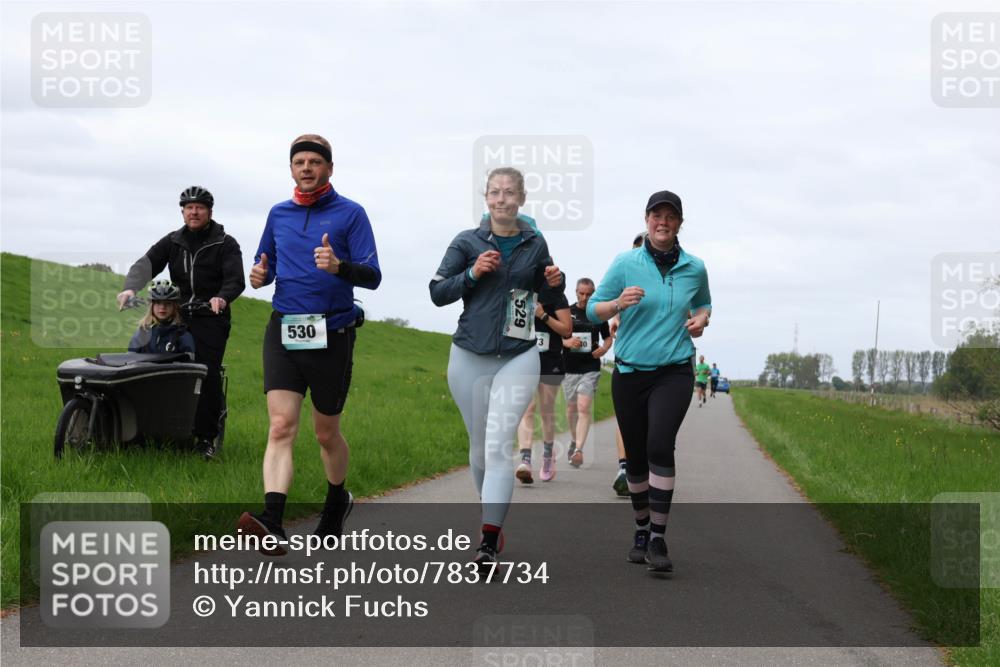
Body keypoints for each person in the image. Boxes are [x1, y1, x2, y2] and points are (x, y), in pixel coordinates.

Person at [238, 134, 381, 555]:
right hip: (284, 328)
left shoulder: (351, 214)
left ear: (329, 169)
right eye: (298, 161)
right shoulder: (278, 214)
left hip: (331, 333)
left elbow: (372, 275)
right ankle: (273, 521)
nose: (306, 168)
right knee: (281, 426)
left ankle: (336, 499)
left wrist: (340, 267)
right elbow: (264, 264)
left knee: (325, 434)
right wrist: (259, 277)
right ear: (291, 169)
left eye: (314, 161)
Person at [430, 166, 564, 570]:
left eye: (509, 193)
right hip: (469, 354)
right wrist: (472, 273)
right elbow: (437, 292)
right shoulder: (466, 241)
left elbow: (550, 292)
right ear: (485, 198)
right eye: (494, 192)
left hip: (519, 354)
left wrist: (557, 281)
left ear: (521, 199)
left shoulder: (535, 243)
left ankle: (487, 543)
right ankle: (490, 516)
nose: (502, 199)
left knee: (497, 444)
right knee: (478, 448)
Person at [586, 190, 711, 572]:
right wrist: (617, 304)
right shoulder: (626, 262)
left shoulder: (695, 267)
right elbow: (592, 310)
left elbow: (704, 303)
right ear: (646, 220)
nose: (663, 221)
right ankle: (640, 529)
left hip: (674, 369)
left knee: (660, 444)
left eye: (670, 216)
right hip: (629, 371)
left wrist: (702, 319)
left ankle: (658, 538)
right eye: (657, 215)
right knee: (637, 458)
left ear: (679, 224)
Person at [118, 186, 245, 459]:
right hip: (178, 314)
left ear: (210, 212)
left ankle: (206, 438)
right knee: (152, 366)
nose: (194, 211)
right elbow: (148, 262)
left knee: (205, 372)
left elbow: (235, 280)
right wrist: (130, 287)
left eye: (199, 207)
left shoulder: (226, 243)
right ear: (183, 212)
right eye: (189, 207)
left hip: (210, 318)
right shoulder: (174, 241)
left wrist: (221, 299)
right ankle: (153, 428)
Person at [515, 297, 572, 484]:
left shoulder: (556, 296)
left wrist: (543, 315)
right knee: (527, 408)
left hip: (550, 360)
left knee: (546, 410)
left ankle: (548, 455)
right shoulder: (520, 293)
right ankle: (525, 460)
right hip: (524, 358)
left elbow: (567, 330)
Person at [610, 231, 648, 496]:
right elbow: (610, 306)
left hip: (662, 364)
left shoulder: (671, 278)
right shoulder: (624, 274)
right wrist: (616, 317)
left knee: (654, 425)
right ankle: (625, 468)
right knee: (626, 419)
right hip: (628, 360)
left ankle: (649, 466)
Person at [561, 278, 612, 468]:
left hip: (590, 367)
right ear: (575, 292)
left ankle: (579, 450)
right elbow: (557, 336)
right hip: (569, 368)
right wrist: (566, 343)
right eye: (581, 293)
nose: (584, 297)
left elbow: (607, 338)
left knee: (583, 407)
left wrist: (604, 349)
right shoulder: (567, 312)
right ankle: (574, 441)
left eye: (588, 294)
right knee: (571, 410)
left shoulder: (597, 314)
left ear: (593, 293)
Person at [128, 279, 196, 358]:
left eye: (168, 303)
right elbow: (130, 361)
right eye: (157, 303)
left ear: (174, 306)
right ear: (151, 305)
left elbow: (189, 366)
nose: (162, 307)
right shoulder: (142, 334)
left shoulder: (183, 335)